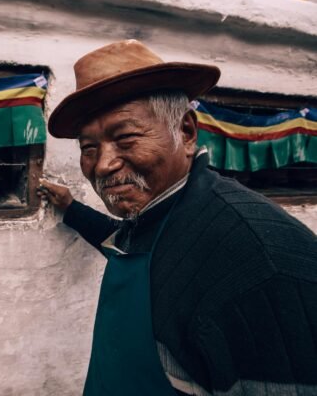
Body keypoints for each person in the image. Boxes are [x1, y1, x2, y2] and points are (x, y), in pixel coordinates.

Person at [38, 39, 317, 396]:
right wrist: (72, 209)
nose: (104, 164)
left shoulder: (264, 262)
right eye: (89, 148)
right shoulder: (158, 215)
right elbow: (124, 239)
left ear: (185, 132)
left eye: (125, 138)